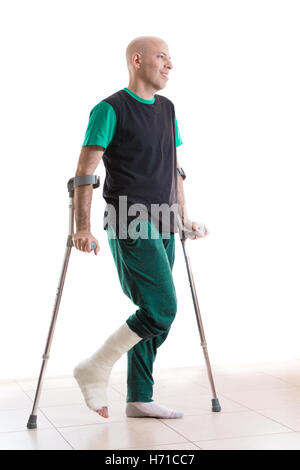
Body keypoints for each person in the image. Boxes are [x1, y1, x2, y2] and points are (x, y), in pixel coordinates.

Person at [72, 36, 209, 420]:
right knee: (162, 308)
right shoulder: (109, 109)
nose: (169, 64)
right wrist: (82, 228)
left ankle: (139, 397)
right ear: (137, 60)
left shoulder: (167, 108)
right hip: (129, 219)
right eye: (162, 57)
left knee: (153, 311)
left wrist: (184, 218)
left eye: (171, 58)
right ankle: (94, 367)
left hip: (165, 219)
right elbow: (84, 174)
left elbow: (174, 169)